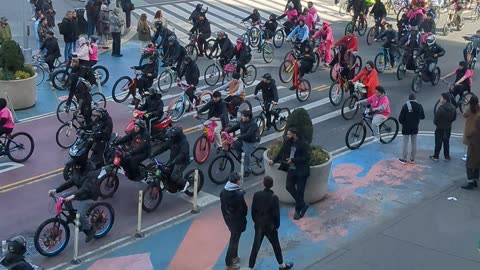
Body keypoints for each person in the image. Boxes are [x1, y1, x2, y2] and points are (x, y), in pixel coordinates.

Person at [248, 176, 294, 270]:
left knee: (255, 247)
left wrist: (256, 222)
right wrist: (277, 225)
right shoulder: (274, 198)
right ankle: (282, 265)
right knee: (276, 246)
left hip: (259, 225)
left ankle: (250, 267)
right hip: (270, 226)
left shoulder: (257, 195)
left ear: (263, 184)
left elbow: (253, 211)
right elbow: (276, 214)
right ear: (272, 185)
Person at [47, 166, 101, 242]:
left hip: (89, 196)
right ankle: (72, 215)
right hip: (80, 194)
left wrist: (74, 195)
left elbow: (85, 188)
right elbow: (69, 182)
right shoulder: (77, 172)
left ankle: (90, 230)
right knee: (64, 197)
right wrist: (56, 190)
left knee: (80, 214)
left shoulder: (90, 174)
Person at [270, 128, 311, 220]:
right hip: (291, 170)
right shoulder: (288, 142)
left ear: (294, 134)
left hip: (301, 171)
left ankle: (297, 211)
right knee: (289, 186)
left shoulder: (303, 144)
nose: (287, 136)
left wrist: (293, 160)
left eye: (289, 134)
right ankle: (303, 204)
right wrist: (274, 160)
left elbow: (306, 157)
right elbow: (281, 152)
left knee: (300, 191)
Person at [220, 172, 248, 270]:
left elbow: (223, 207)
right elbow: (244, 209)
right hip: (237, 221)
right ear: (237, 181)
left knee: (235, 237)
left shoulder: (223, 192)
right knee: (234, 241)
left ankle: (234, 256)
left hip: (228, 219)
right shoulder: (238, 195)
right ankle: (229, 263)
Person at [150, 126, 190, 191]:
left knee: (174, 176)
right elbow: (163, 148)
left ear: (177, 136)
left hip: (182, 162)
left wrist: (174, 161)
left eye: (172, 136)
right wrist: (153, 154)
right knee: (164, 170)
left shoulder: (184, 142)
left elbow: (183, 154)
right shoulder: (172, 141)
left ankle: (185, 183)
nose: (171, 137)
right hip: (173, 160)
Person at [224, 110, 260, 177]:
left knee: (246, 155)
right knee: (234, 143)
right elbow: (236, 127)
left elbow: (248, 134)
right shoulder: (242, 121)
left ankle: (248, 170)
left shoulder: (253, 124)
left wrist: (238, 137)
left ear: (247, 117)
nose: (241, 117)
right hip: (244, 139)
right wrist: (226, 131)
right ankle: (240, 155)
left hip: (252, 141)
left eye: (243, 116)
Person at [398, 94, 425, 164]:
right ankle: (412, 158)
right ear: (415, 99)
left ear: (409, 99)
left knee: (405, 143)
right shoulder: (419, 106)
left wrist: (404, 123)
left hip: (406, 127)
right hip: (415, 126)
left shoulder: (405, 106)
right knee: (414, 143)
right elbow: (423, 116)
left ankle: (404, 158)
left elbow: (400, 119)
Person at [430, 93, 456, 161]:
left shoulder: (441, 108)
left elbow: (436, 119)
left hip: (440, 128)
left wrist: (437, 124)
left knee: (438, 142)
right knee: (446, 142)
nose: (440, 99)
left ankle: (436, 156)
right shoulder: (453, 107)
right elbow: (454, 118)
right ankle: (446, 156)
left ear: (445, 100)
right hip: (448, 127)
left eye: (441, 98)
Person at [461, 95, 480, 189]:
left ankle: (471, 182)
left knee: (469, 163)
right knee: (477, 161)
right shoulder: (478, 111)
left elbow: (464, 114)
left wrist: (469, 134)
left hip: (473, 140)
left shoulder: (471, 112)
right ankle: (475, 179)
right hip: (477, 141)